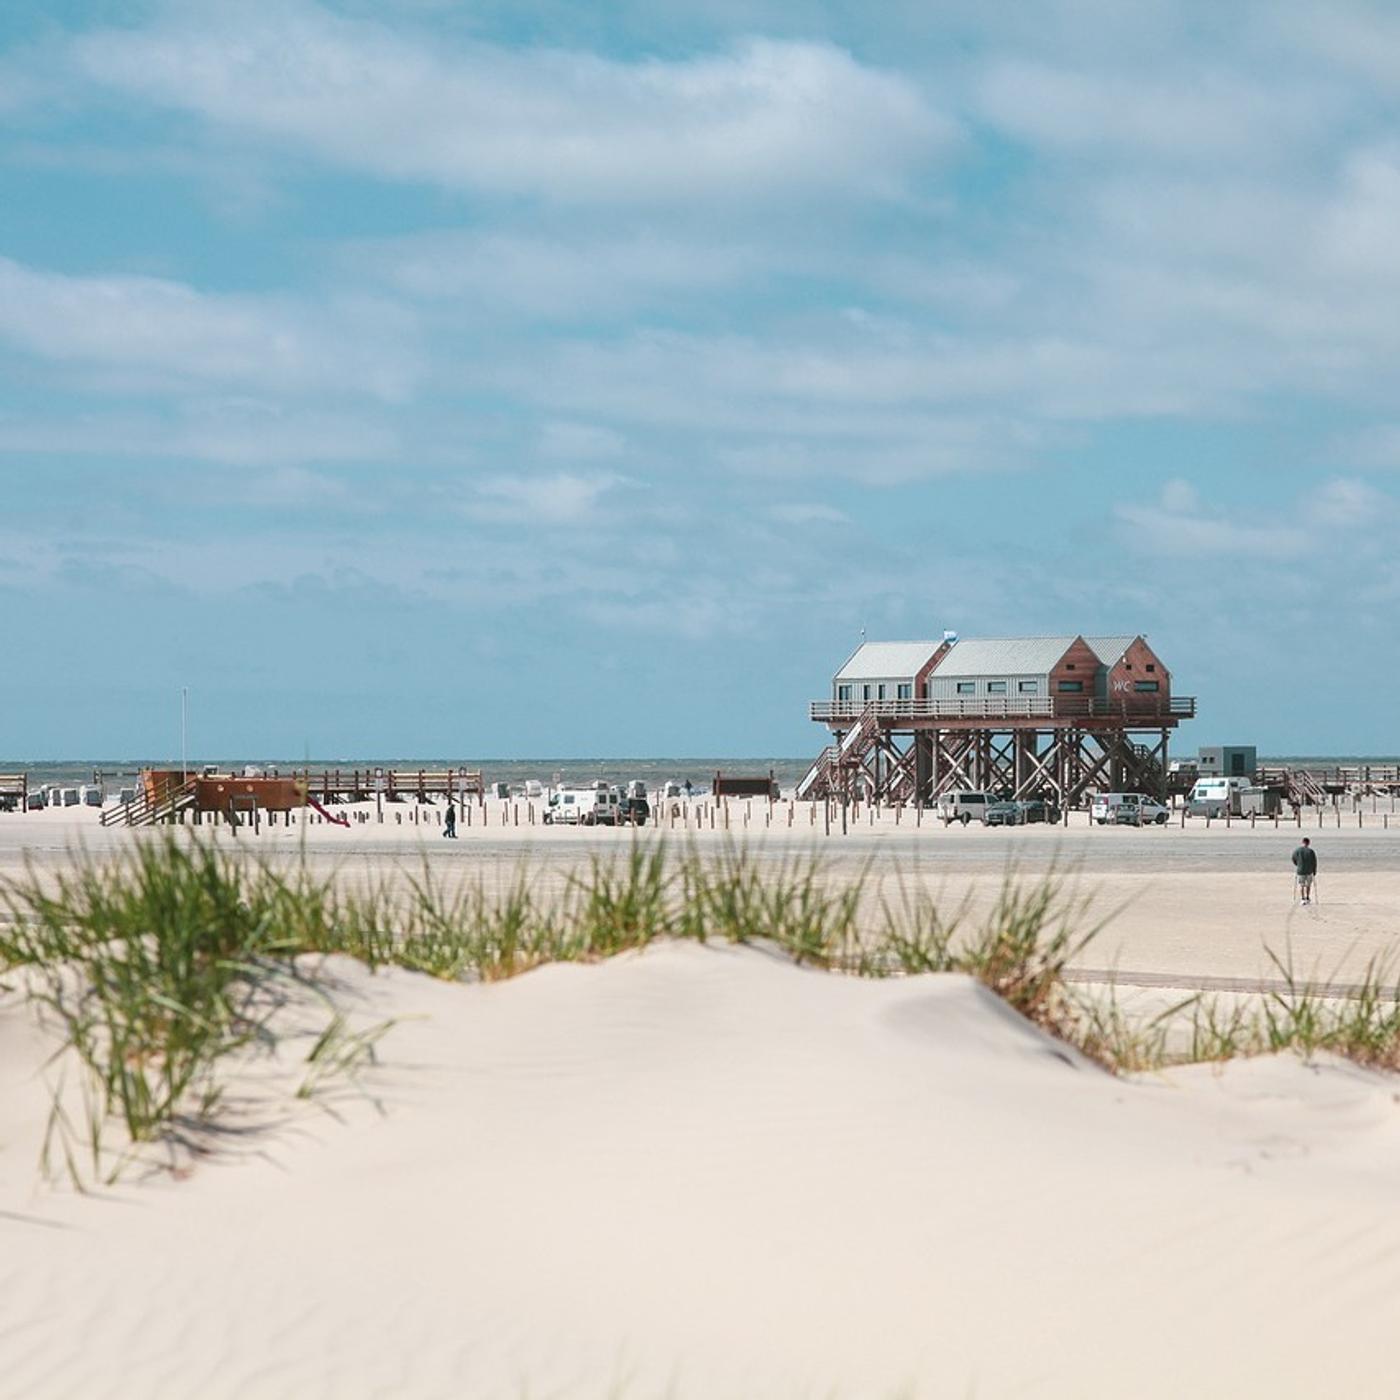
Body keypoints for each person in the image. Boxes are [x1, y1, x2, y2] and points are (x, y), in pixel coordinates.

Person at [1291, 836, 1317, 904]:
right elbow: (1314, 862)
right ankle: (1307, 898)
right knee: (1308, 885)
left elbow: (1293, 858)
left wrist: (1298, 865)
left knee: (1302, 885)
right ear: (1308, 843)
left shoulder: (1297, 850)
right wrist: (1314, 871)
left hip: (1300, 870)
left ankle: (1303, 899)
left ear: (1302, 842)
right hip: (1309, 871)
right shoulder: (1311, 851)